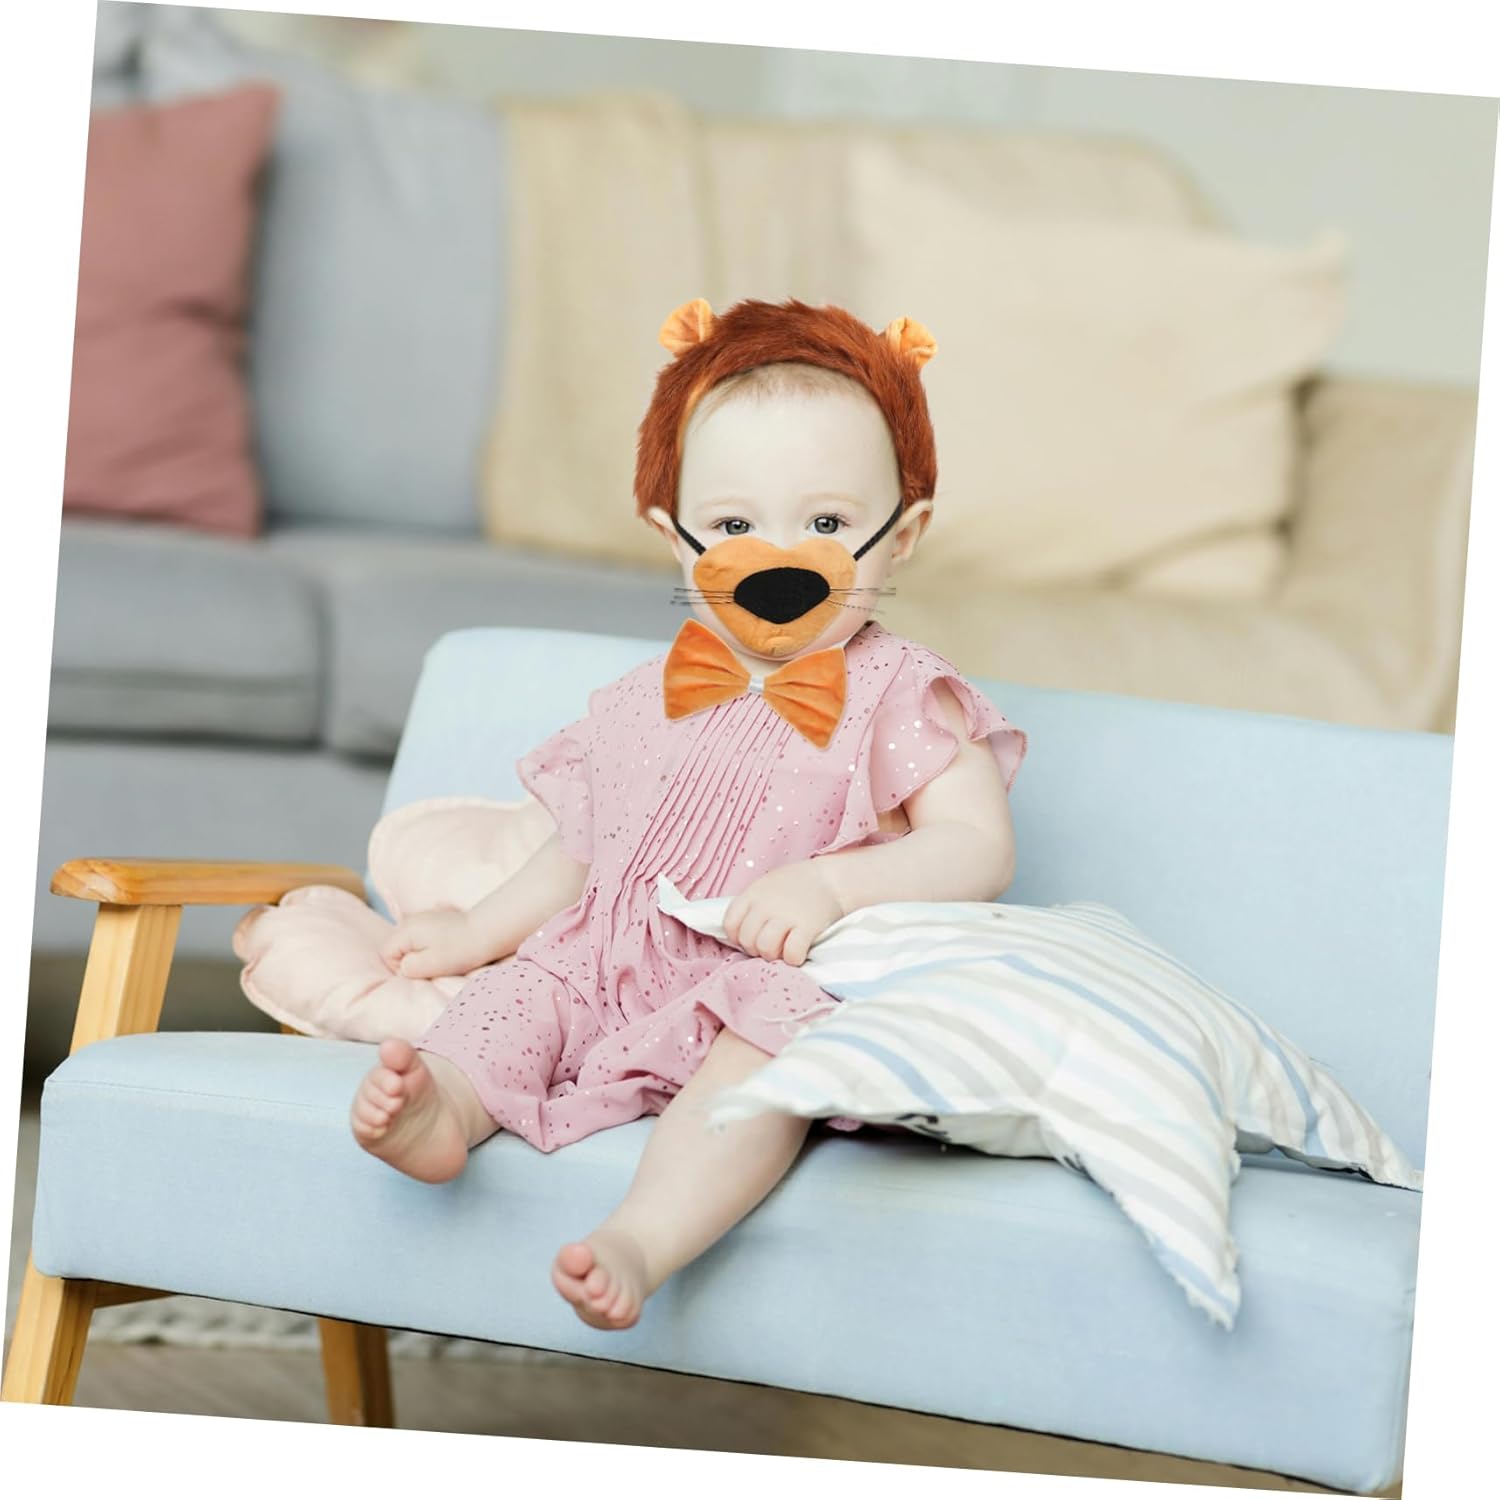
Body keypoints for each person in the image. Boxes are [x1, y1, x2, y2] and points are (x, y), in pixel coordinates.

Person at [348, 297, 1026, 1331]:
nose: (779, 557)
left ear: (905, 535)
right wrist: (477, 931)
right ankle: (443, 1107)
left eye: (828, 524)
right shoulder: (642, 700)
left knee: (767, 1063)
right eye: (736, 526)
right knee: (516, 997)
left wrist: (831, 883)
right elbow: (583, 851)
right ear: (674, 537)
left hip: (765, 980)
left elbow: (977, 848)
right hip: (606, 961)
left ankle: (644, 1236)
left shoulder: (904, 695)